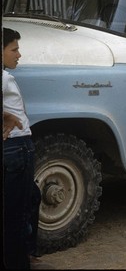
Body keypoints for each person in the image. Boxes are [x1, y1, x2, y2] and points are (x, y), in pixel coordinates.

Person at [2, 28, 48, 269]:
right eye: (14, 49)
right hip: (16, 148)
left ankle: (26, 255)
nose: (18, 55)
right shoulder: (3, 78)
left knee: (30, 198)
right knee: (16, 212)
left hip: (17, 147)